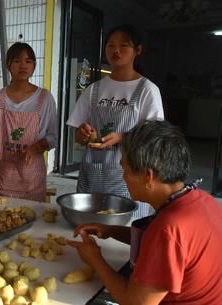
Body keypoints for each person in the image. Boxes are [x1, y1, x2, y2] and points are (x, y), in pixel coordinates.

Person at [68, 120, 222, 305]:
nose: (123, 178)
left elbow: (135, 302)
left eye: (125, 171)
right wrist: (111, 230)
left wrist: (95, 260)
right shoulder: (202, 200)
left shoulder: (169, 228)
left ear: (148, 176)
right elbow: (164, 247)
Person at [66, 24, 164, 218]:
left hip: (129, 177)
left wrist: (122, 137)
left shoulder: (147, 90)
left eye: (123, 45)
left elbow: (156, 138)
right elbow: (77, 136)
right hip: (93, 175)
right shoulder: (93, 90)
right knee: (91, 226)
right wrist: (84, 135)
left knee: (125, 235)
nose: (116, 50)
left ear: (138, 50)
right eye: (111, 45)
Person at [0, 42, 58, 202]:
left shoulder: (45, 98)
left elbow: (53, 137)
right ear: (8, 65)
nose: (23, 65)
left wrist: (35, 148)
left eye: (28, 61)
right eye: (17, 61)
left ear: (34, 66)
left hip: (32, 182)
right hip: (1, 181)